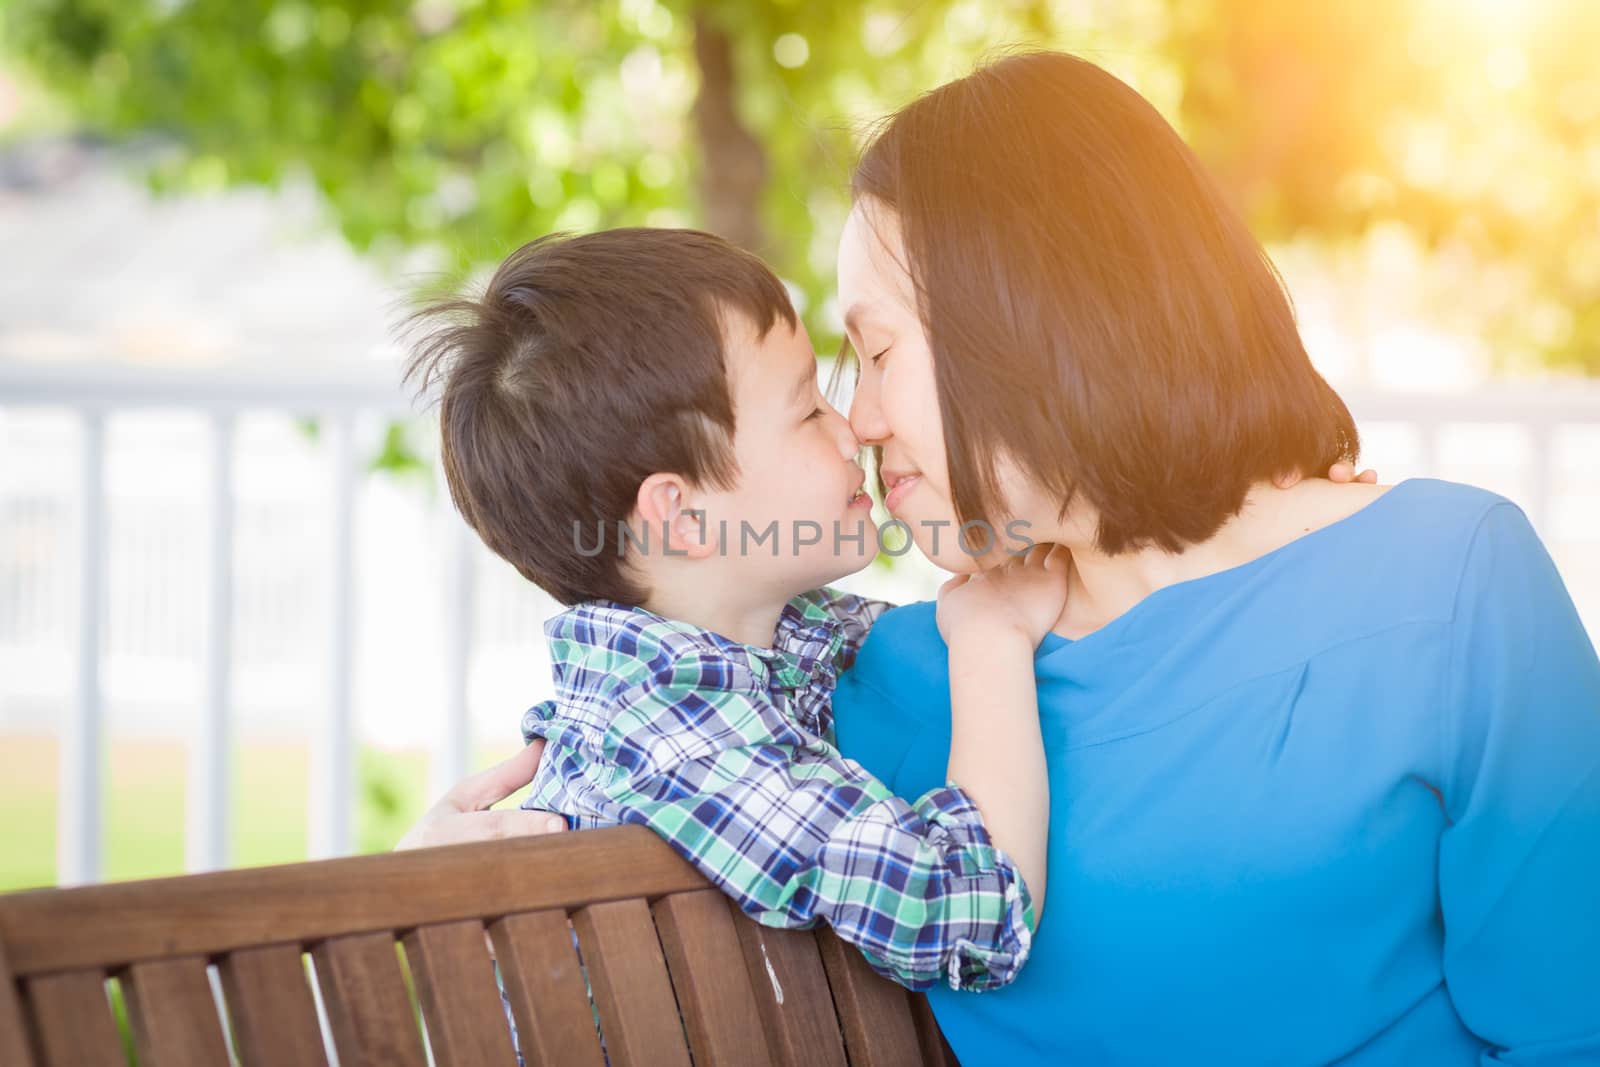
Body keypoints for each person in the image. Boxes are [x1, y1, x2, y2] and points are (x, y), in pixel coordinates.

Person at [406, 52, 1600, 1066]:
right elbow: (650, 723)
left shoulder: (1448, 583)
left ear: (1028, 332)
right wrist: (439, 888)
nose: (860, 421)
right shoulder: (870, 684)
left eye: (873, 356)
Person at [401, 226, 1063, 992]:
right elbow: (973, 920)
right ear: (683, 517)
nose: (854, 429)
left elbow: (886, 637)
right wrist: (994, 643)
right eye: (807, 411)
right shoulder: (686, 746)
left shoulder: (742, 652)